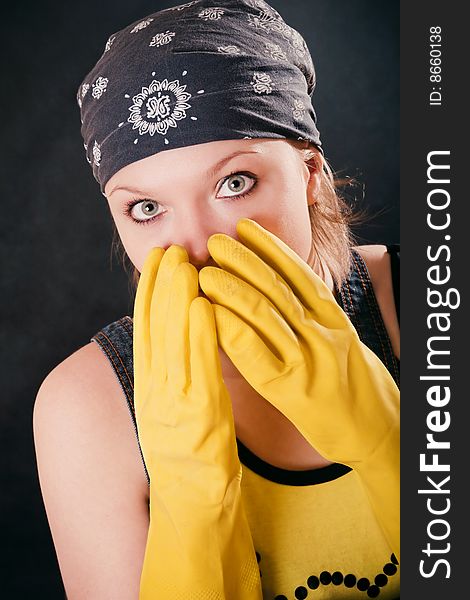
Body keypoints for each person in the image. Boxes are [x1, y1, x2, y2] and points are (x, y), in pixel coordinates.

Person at [33, 1, 400, 598]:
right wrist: (191, 502)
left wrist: (387, 439)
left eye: (234, 183)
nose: (199, 247)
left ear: (311, 172)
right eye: (146, 208)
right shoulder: (86, 407)